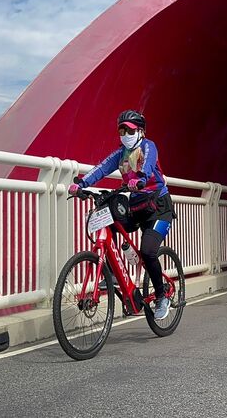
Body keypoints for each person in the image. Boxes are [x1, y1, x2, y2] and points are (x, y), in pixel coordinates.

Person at [68, 110, 176, 320]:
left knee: (148, 251)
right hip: (136, 205)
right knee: (109, 221)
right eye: (121, 129)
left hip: (159, 207)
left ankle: (162, 296)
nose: (125, 133)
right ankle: (114, 269)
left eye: (130, 130)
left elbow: (148, 163)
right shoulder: (120, 154)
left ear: (141, 131)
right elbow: (100, 168)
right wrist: (81, 184)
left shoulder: (148, 146)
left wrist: (142, 178)